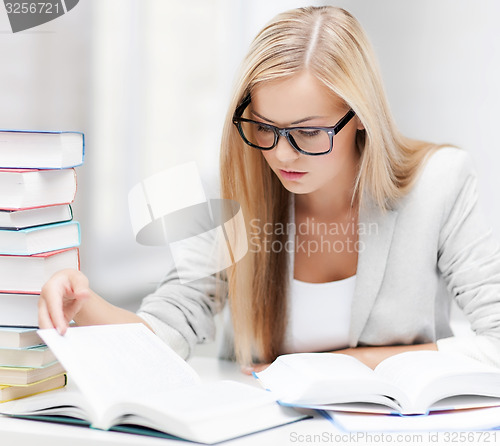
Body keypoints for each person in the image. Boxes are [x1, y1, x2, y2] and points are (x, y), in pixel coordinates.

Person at [39, 6, 500, 373]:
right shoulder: (233, 193)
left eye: (308, 132)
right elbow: (167, 329)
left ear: (360, 119)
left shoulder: (439, 184)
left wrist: (345, 365)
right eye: (264, 127)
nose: (281, 155)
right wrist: (85, 305)